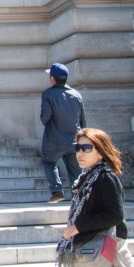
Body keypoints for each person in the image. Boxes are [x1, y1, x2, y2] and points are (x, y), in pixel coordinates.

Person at [58, 127, 134, 267]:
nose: (80, 153)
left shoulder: (105, 177)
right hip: (92, 256)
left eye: (86, 148)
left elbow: (115, 215)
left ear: (101, 150)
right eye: (77, 148)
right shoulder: (86, 180)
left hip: (110, 256)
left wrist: (79, 226)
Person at [41, 62, 86, 203]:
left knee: (48, 162)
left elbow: (45, 117)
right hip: (74, 140)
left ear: (53, 78)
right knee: (76, 173)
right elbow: (82, 120)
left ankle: (56, 190)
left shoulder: (48, 94)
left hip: (54, 141)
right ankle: (79, 198)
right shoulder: (76, 95)